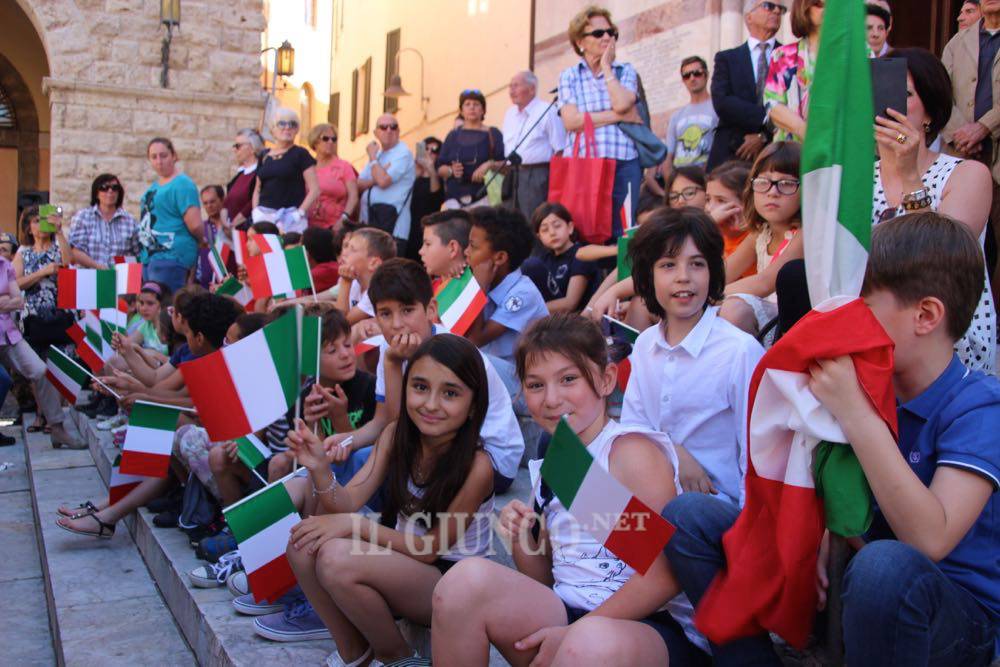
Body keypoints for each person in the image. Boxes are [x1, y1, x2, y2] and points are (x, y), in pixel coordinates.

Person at [665, 213, 1000, 667]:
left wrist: (856, 414)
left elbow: (929, 540)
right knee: (688, 518)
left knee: (884, 569)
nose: (845, 320)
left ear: (925, 315)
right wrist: (824, 527)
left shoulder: (978, 405)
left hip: (949, 617)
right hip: (847, 585)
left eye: (863, 306)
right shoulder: (862, 382)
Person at [433, 313, 682, 666]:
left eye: (568, 379)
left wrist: (577, 632)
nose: (551, 399)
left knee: (587, 644)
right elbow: (548, 577)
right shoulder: (559, 458)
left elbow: (665, 576)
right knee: (462, 583)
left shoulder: (629, 453)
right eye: (536, 385)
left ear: (606, 378)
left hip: (645, 625)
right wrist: (522, 539)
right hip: (570, 611)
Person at [283, 334, 495, 666]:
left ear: (473, 405)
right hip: (400, 560)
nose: (430, 404)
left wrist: (353, 525)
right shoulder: (396, 435)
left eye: (450, 393)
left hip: (450, 583)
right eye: (420, 387)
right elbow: (348, 500)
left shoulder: (478, 466)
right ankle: (354, 653)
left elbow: (430, 550)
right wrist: (320, 469)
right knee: (302, 542)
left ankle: (395, 655)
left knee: (336, 558)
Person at [326, 258, 524, 496]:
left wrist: (392, 364)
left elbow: (399, 431)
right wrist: (347, 440)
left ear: (431, 309)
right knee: (349, 459)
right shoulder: (386, 349)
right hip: (437, 446)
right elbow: (382, 423)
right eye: (385, 314)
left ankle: (367, 519)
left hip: (491, 461)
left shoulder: (450, 352)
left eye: (407, 311)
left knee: (379, 463)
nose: (397, 324)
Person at [623, 207, 763, 509]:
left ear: (713, 272)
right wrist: (674, 451)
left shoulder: (739, 350)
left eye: (697, 264)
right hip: (655, 491)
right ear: (648, 275)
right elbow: (634, 428)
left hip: (716, 506)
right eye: (668, 265)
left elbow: (756, 453)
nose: (684, 278)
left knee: (686, 512)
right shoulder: (646, 344)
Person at [876, 48, 996, 372]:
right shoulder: (858, 178)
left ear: (928, 112)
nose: (887, 105)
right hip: (872, 320)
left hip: (944, 326)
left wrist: (909, 174)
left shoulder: (966, 173)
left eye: (903, 94)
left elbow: (940, 256)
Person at [557, 5, 642, 238]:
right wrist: (616, 116)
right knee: (585, 229)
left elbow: (624, 103)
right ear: (580, 41)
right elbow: (571, 121)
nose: (606, 37)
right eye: (598, 33)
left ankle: (625, 275)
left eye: (611, 32)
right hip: (585, 164)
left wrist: (606, 67)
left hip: (625, 161)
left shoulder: (625, 70)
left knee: (624, 231)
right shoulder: (569, 75)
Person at [720, 142, 802, 337]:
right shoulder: (761, 233)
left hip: (787, 324)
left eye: (787, 183)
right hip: (766, 317)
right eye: (763, 182)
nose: (773, 192)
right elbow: (722, 273)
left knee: (733, 310)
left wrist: (701, 297)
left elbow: (764, 283)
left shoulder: (805, 234)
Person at [464, 206, 549, 396]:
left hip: (527, 384)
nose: (466, 252)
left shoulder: (522, 293)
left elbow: (474, 340)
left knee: (464, 360)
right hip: (497, 373)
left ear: (500, 257)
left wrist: (478, 288)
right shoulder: (481, 282)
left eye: (473, 247)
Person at [13, 206, 72, 434]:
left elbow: (68, 264)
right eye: (36, 220)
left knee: (58, 363)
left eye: (44, 219)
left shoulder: (59, 246)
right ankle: (41, 413)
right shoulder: (23, 252)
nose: (41, 224)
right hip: (33, 314)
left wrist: (59, 231)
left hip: (59, 312)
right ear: (28, 227)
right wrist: (42, 272)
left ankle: (53, 417)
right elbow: (16, 283)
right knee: (37, 365)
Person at [707, 0, 785, 170]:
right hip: (731, 152)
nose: (777, 11)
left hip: (777, 153)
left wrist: (763, 135)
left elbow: (792, 105)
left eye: (781, 8)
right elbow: (722, 101)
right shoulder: (726, 58)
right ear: (749, 16)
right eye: (769, 6)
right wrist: (766, 118)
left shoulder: (790, 57)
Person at [647, 56, 717, 198]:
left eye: (697, 73)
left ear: (706, 75)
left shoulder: (717, 108)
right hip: (680, 183)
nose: (692, 78)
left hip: (706, 179)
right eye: (686, 75)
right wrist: (672, 187)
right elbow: (668, 158)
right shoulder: (677, 116)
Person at [139, 137, 203, 291]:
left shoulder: (182, 184)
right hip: (150, 257)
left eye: (164, 155)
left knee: (166, 309)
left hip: (172, 257)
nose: (159, 161)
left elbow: (195, 225)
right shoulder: (153, 188)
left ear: (174, 156)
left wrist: (203, 240)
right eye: (154, 157)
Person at [501, 71, 567, 220]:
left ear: (531, 89)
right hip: (512, 174)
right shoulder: (509, 114)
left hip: (537, 174)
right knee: (510, 222)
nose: (511, 90)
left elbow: (561, 149)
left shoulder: (547, 110)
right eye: (510, 86)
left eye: (516, 86)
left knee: (534, 220)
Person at [763, 0, 824, 142]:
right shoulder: (782, 55)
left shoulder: (859, 53)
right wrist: (807, 133)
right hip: (793, 153)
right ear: (804, 8)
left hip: (842, 151)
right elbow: (773, 105)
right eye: (820, 5)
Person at [521, 203, 599, 313]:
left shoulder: (582, 254)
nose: (552, 233)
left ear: (570, 227)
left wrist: (528, 310)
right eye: (545, 230)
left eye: (557, 226)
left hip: (576, 320)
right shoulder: (544, 260)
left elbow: (570, 303)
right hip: (548, 318)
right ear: (539, 237)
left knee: (532, 265)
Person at [358, 114, 416, 257]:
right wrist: (375, 176)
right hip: (371, 224)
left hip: (393, 228)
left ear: (398, 131)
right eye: (383, 127)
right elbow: (358, 184)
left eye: (393, 127)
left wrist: (373, 160)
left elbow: (383, 181)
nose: (389, 130)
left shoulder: (403, 153)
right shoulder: (378, 155)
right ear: (376, 133)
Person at [253, 109, 318, 233]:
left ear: (296, 130)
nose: (287, 127)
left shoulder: (301, 154)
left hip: (291, 219)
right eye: (282, 123)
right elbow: (257, 189)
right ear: (273, 129)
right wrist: (255, 211)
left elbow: (315, 189)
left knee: (291, 252)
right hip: (264, 217)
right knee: (265, 252)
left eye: (292, 124)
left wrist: (299, 213)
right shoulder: (264, 155)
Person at [437, 89, 505, 208]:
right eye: (467, 104)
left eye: (476, 104)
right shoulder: (452, 135)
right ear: (461, 111)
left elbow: (505, 164)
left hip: (484, 198)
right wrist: (451, 170)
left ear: (483, 110)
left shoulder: (493, 134)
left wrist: (489, 165)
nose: (472, 108)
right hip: (454, 200)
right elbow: (440, 167)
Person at [65, 173, 141, 269]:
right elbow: (75, 251)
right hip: (89, 277)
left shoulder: (130, 221)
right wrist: (99, 267)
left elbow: (138, 254)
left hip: (120, 279)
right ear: (96, 193)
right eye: (104, 187)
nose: (110, 191)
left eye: (115, 188)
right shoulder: (83, 217)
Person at [333, 227, 396, 326]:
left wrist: (345, 282)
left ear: (373, 263)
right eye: (346, 247)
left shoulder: (379, 290)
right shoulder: (356, 283)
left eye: (352, 250)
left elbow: (340, 325)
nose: (344, 253)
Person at [307, 123, 358, 232]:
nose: (331, 142)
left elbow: (353, 196)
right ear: (315, 142)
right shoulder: (307, 166)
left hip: (334, 228)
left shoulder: (344, 166)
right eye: (326, 138)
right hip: (307, 227)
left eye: (334, 139)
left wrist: (343, 219)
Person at [705, 160, 752, 263]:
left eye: (721, 201)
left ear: (747, 204)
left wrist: (707, 225)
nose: (709, 208)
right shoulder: (713, 236)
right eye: (708, 200)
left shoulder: (754, 238)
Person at [407, 136, 444, 261]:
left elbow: (435, 198)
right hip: (408, 229)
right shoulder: (413, 175)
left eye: (434, 150)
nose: (428, 152)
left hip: (426, 230)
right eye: (425, 149)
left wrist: (430, 169)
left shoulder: (438, 177)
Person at [194, 185, 234, 288]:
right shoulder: (201, 229)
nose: (209, 206)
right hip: (207, 286)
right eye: (205, 203)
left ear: (222, 200)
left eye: (212, 202)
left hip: (232, 283)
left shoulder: (233, 224)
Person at [419, 209, 471, 286]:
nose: (420, 251)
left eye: (428, 244)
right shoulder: (431, 290)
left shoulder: (473, 292)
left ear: (452, 248)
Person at [225, 128, 263, 230]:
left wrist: (234, 223)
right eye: (234, 146)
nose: (235, 150)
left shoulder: (260, 173)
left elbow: (252, 203)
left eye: (238, 146)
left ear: (252, 148)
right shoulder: (240, 175)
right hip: (233, 232)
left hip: (248, 230)